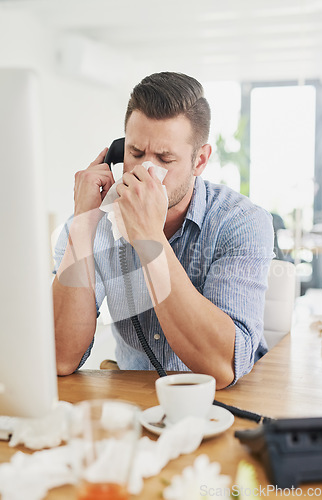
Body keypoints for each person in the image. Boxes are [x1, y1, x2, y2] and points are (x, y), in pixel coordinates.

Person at [53, 72, 274, 389]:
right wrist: (83, 224)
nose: (145, 171)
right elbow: (60, 357)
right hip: (138, 398)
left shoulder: (242, 221)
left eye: (165, 158)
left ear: (200, 161)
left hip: (229, 403)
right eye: (136, 153)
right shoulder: (92, 219)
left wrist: (149, 239)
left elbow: (223, 367)